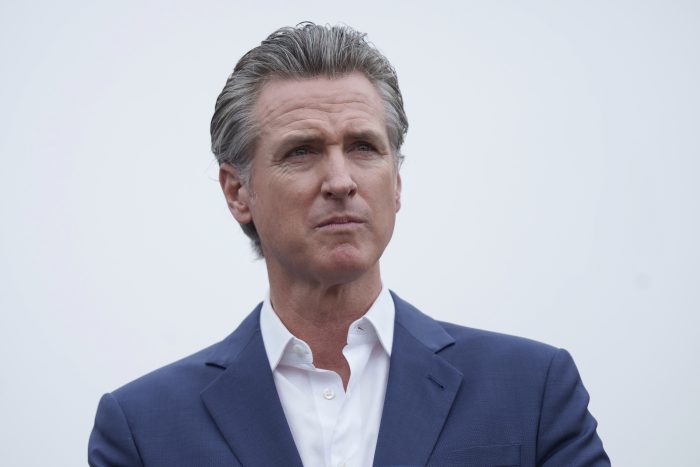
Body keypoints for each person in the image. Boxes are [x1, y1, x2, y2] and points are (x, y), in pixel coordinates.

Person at [88, 23, 610, 467]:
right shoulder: (144, 430)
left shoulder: (531, 390)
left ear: (396, 182)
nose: (341, 180)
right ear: (237, 192)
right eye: (301, 151)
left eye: (363, 147)